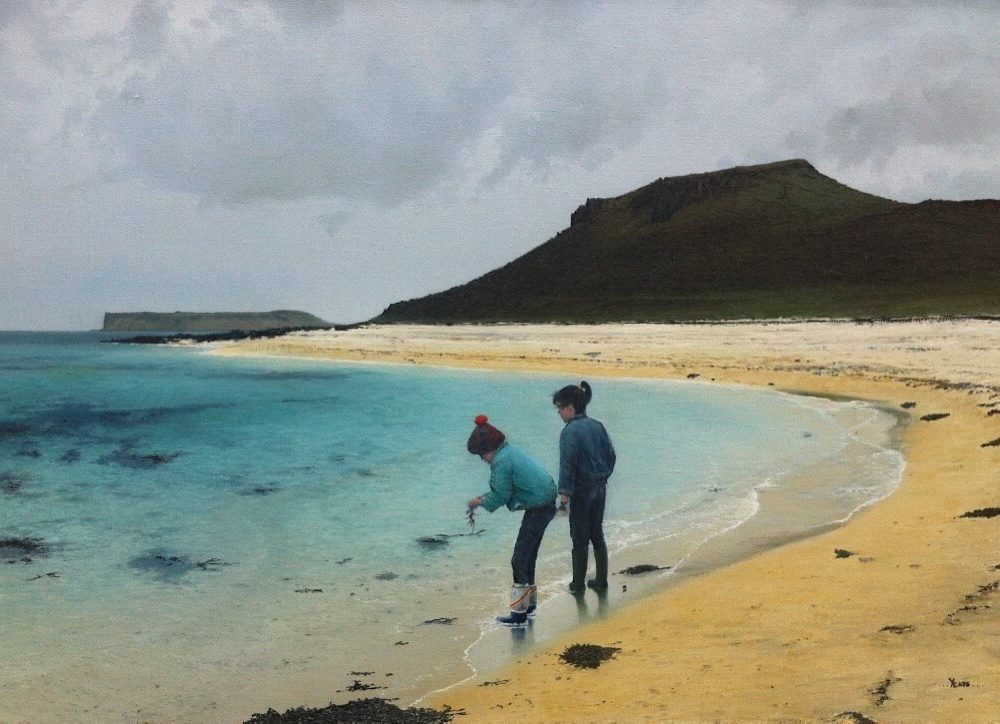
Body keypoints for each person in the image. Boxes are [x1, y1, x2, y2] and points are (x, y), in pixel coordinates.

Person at [467, 414, 557, 627]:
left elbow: (500, 495)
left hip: (539, 507)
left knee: (518, 559)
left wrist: (478, 501)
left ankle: (518, 615)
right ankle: (530, 606)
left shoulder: (501, 462)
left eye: (482, 455)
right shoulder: (510, 450)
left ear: (489, 450)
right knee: (529, 556)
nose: (482, 459)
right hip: (545, 503)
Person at [553, 381, 616, 593]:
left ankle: (578, 583)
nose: (559, 413)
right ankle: (601, 580)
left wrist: (564, 494)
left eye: (559, 408)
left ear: (569, 408)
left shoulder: (569, 432)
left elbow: (567, 464)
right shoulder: (598, 426)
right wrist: (603, 475)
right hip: (600, 486)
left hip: (581, 490)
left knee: (579, 536)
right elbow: (611, 456)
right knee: (596, 533)